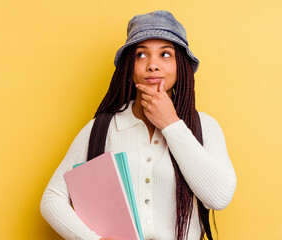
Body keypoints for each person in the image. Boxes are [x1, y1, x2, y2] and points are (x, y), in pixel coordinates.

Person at [40, 10, 237, 240]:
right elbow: (52, 199)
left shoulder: (204, 127)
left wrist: (171, 124)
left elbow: (219, 197)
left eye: (165, 54)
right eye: (141, 55)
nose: (153, 65)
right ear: (128, 66)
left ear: (181, 65)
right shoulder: (103, 128)